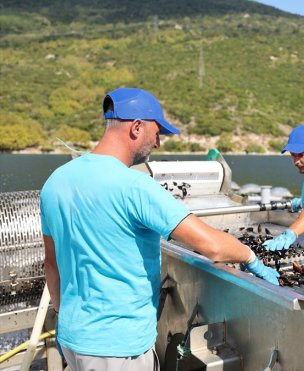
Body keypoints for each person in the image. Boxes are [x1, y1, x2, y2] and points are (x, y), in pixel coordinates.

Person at [40, 87, 279, 371]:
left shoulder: (55, 182)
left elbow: (51, 264)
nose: (159, 144)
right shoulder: (135, 187)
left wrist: (62, 314)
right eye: (157, 133)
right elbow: (212, 245)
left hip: (73, 340)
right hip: (118, 350)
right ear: (136, 127)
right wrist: (250, 257)